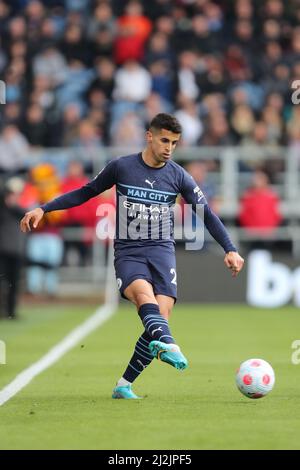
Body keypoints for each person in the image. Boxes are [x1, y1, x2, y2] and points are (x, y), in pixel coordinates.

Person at [20, 113, 244, 399]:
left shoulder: (178, 176)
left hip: (162, 252)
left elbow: (207, 214)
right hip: (130, 251)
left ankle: (124, 384)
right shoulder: (121, 167)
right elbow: (86, 192)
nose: (169, 148)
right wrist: (44, 208)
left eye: (174, 143)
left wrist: (230, 248)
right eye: (164, 140)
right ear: (149, 137)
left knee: (162, 315)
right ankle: (170, 345)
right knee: (144, 298)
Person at [0, 183, 26, 319]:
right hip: (3, 252)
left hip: (16, 252)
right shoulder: (3, 211)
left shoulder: (19, 211)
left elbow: (23, 212)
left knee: (13, 284)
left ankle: (11, 312)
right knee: (2, 283)